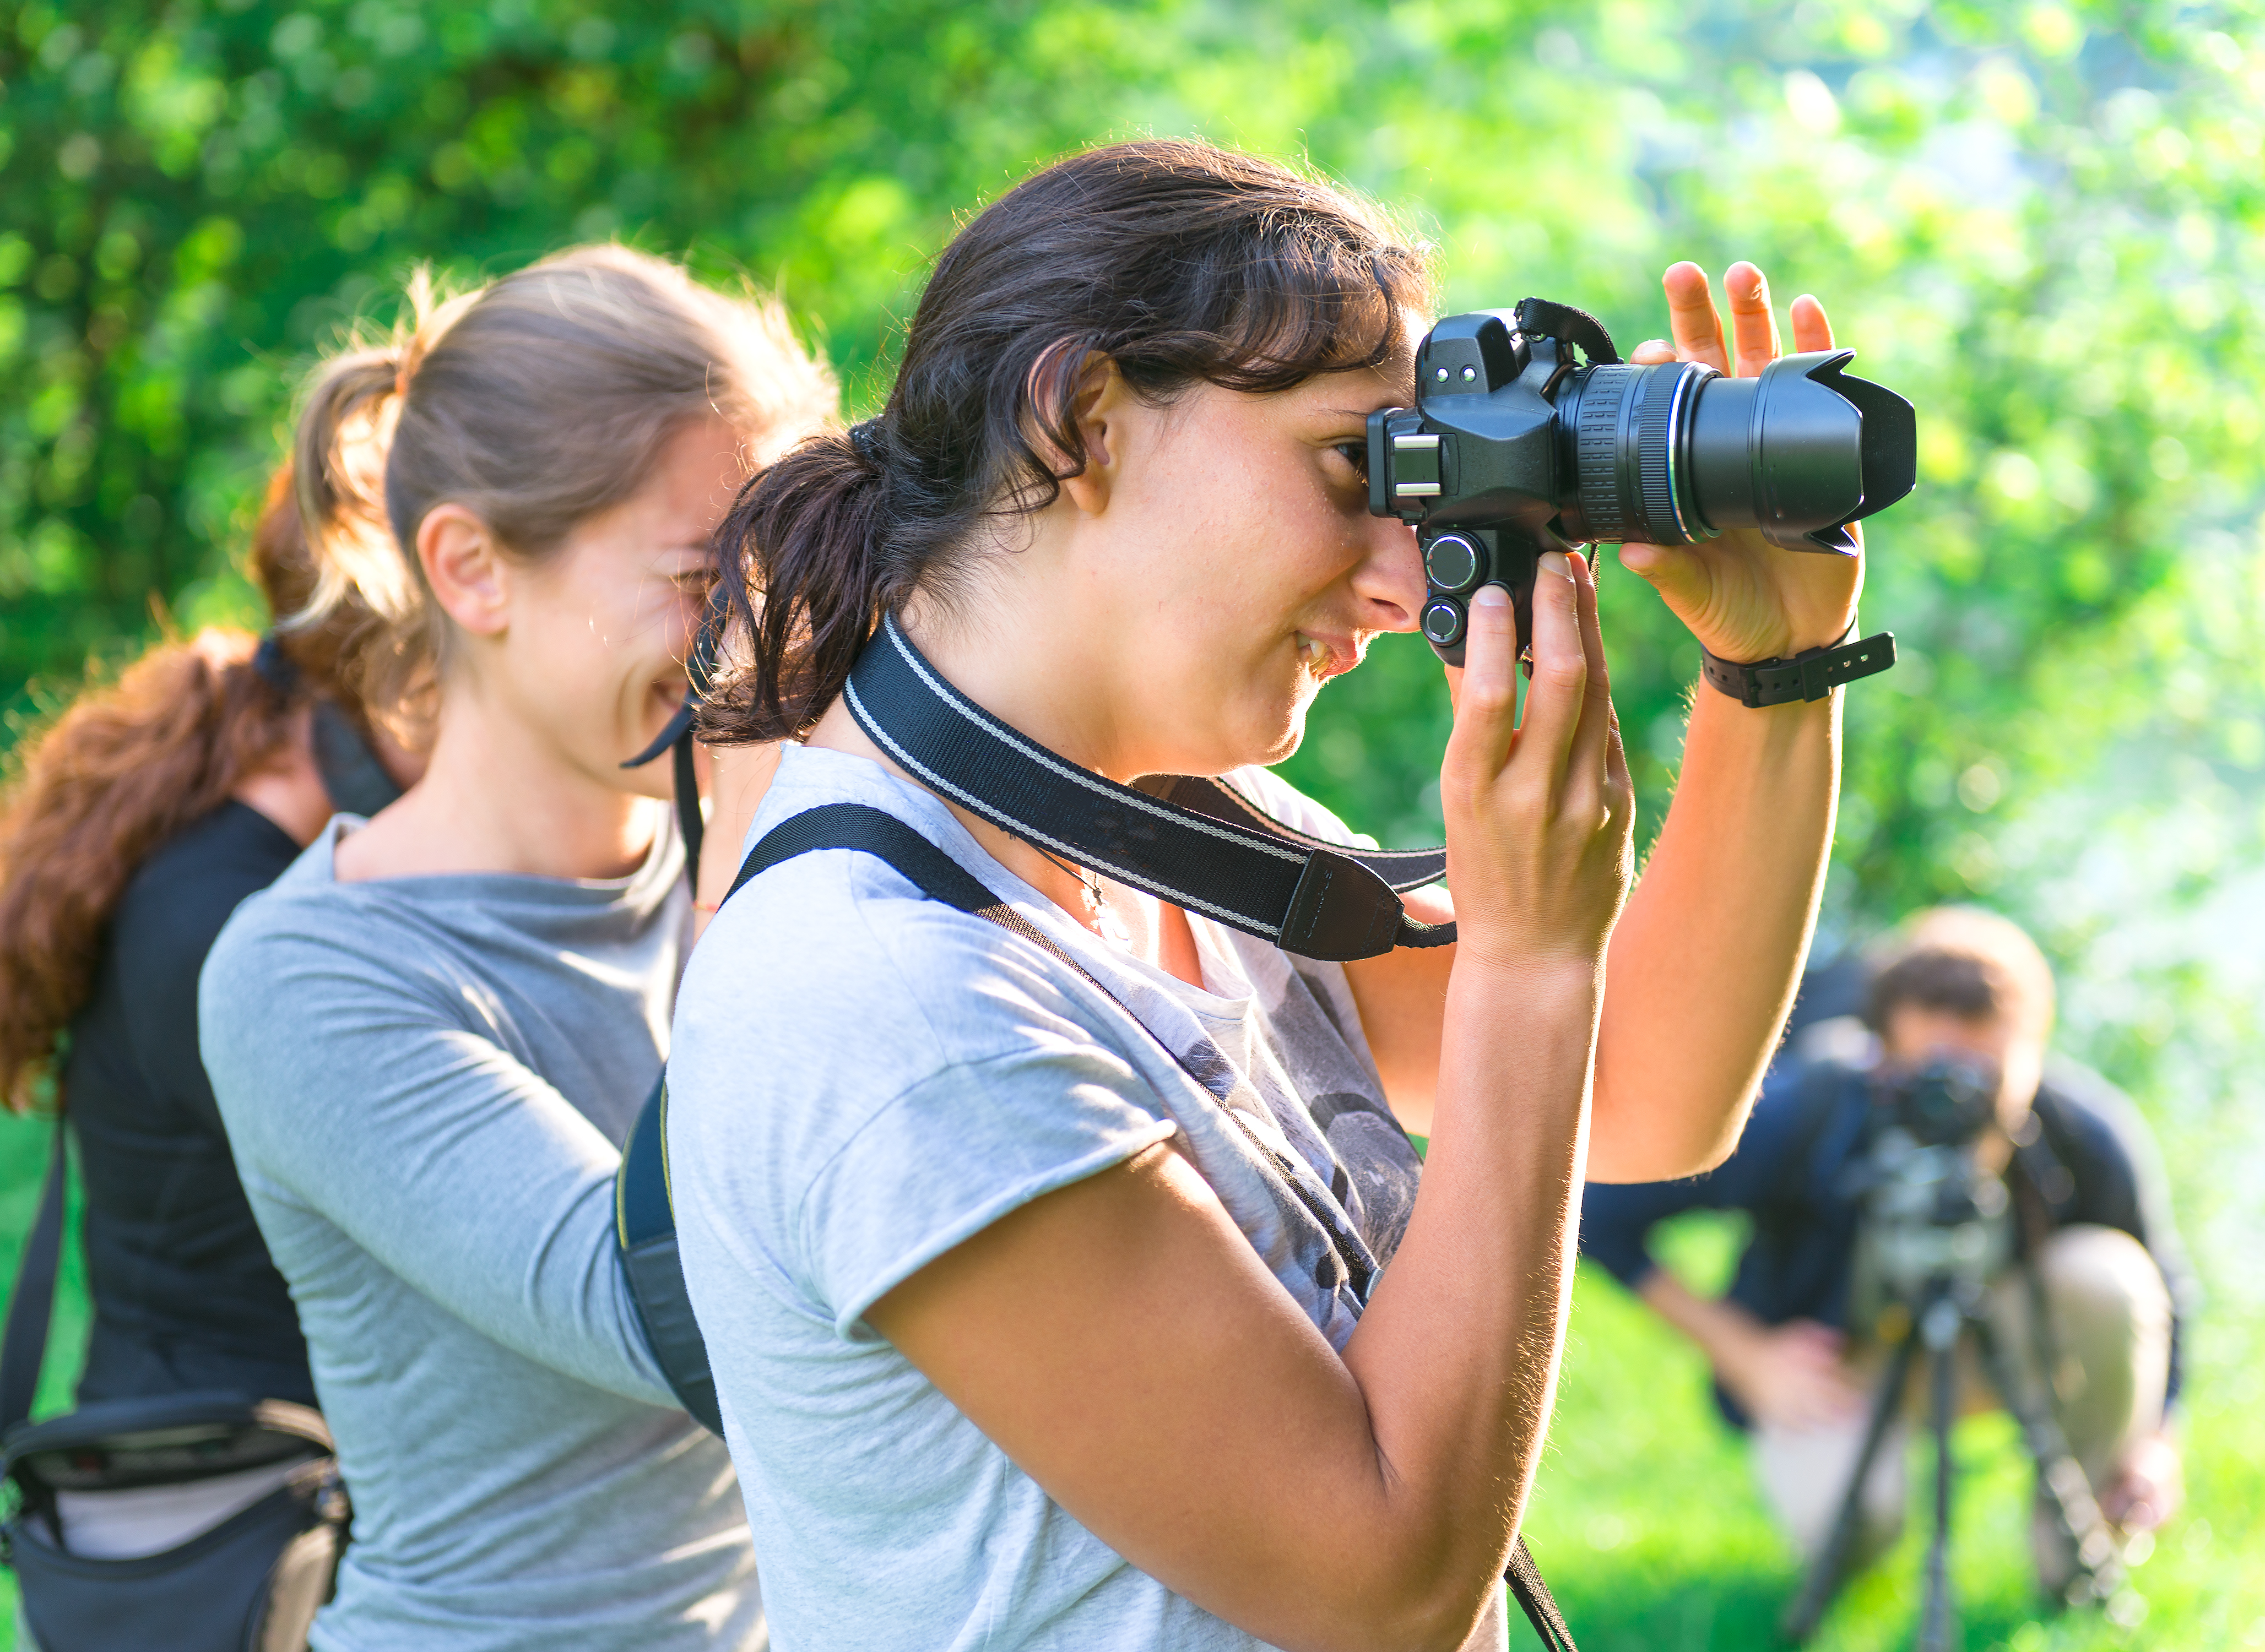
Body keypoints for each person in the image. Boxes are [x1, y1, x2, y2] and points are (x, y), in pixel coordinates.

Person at [669, 137, 1879, 1650]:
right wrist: (1520, 962)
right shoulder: (890, 998)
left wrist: (1774, 673)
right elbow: (1376, 1586)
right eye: (1348, 466)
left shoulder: (1172, 831)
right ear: (1081, 418)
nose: (1398, 579)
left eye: (1417, 482)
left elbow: (1644, 1091)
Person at [197, 242, 833, 1650]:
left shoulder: (732, 878)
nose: (763, 635)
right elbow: (672, 1317)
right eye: (700, 577)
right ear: (474, 570)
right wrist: (763, 869)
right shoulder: (310, 974)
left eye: (780, 572)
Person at [0, 463, 414, 1540]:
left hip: (237, 1477)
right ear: (364, 693)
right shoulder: (220, 928)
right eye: (437, 691)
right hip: (224, 1517)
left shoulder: (229, 866)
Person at [1580, 906, 2195, 1588]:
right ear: (1879, 1056)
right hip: (1843, 1369)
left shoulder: (2083, 1132)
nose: (1955, 1103)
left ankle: (2074, 1561)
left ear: (2036, 1053)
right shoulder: (1810, 1107)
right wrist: (1745, 1354)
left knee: (2112, 1278)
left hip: (2005, 1342)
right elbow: (1599, 1209)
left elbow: (2165, 1284)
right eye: (1927, 1078)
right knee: (1847, 1525)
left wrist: (2161, 1442)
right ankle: (1852, 1538)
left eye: (1982, 1078)